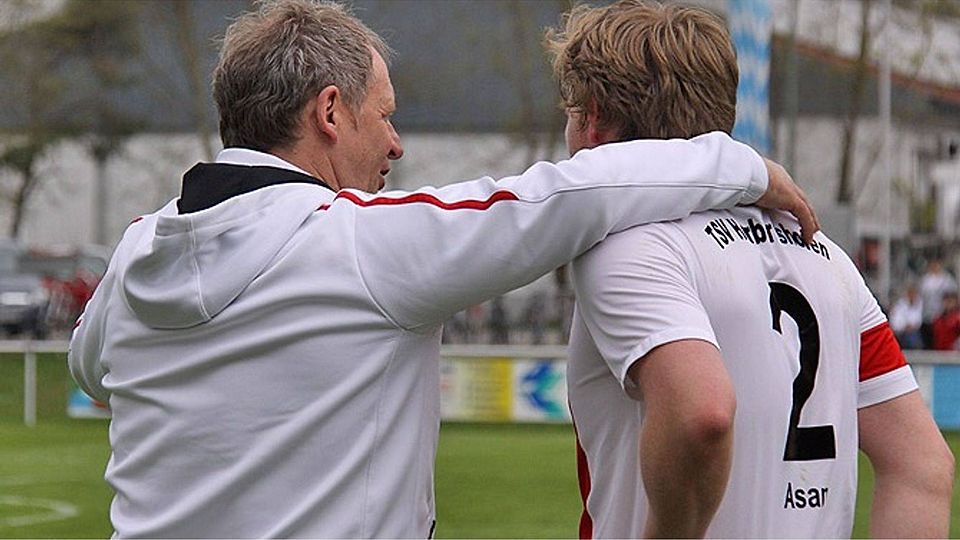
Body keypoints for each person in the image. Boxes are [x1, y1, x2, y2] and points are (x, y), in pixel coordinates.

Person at [67, 0, 817, 537]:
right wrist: (741, 165)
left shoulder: (138, 251)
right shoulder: (360, 244)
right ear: (330, 113)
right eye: (385, 115)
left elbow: (92, 370)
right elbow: (566, 194)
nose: (395, 145)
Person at [549, 2, 955, 538]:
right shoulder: (825, 255)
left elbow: (703, 415)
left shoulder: (628, 245)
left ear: (593, 117)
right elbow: (922, 465)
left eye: (571, 111)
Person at [920, 258, 958, 348]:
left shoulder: (946, 279)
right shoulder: (926, 280)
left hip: (941, 312)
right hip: (928, 314)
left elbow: (951, 294)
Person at [889, 283, 923, 349]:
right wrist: (904, 326)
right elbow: (895, 321)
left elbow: (918, 321)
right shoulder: (900, 305)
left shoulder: (918, 303)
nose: (912, 296)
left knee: (913, 337)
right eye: (911, 294)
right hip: (900, 331)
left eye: (914, 294)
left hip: (912, 332)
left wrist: (911, 326)